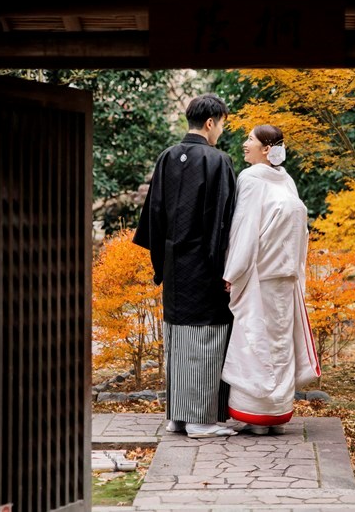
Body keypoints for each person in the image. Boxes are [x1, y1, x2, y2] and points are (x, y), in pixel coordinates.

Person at [133, 93, 238, 439]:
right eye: (221, 124)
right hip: (205, 266)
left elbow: (155, 213)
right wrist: (226, 268)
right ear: (210, 123)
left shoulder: (166, 158)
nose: (220, 131)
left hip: (175, 265)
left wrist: (161, 263)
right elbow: (223, 221)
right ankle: (199, 420)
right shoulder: (217, 160)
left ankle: (177, 417)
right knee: (207, 337)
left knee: (178, 337)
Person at [221, 124, 321, 435]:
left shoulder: (250, 178)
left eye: (250, 139)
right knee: (279, 343)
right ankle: (277, 414)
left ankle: (254, 416)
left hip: (260, 276)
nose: (244, 143)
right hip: (285, 277)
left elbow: (245, 229)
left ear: (266, 148)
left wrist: (231, 272)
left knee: (255, 341)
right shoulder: (286, 180)